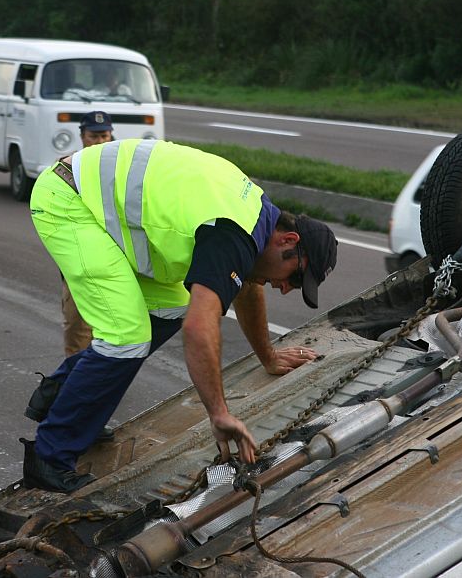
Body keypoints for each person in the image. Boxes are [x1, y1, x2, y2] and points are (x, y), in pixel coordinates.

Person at [23, 139, 338, 492]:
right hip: (69, 201)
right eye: (295, 278)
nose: (285, 288)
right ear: (287, 240)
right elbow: (200, 330)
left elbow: (247, 288)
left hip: (98, 203)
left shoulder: (257, 218)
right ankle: (49, 455)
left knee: (171, 307)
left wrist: (267, 355)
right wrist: (218, 413)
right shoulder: (232, 232)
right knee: (127, 337)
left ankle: (65, 393)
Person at [60, 111, 113, 356]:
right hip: (80, 261)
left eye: (104, 136)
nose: (100, 141)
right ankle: (72, 384)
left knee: (115, 329)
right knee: (78, 327)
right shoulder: (67, 169)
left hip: (116, 260)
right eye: (94, 136)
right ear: (82, 137)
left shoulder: (122, 167)